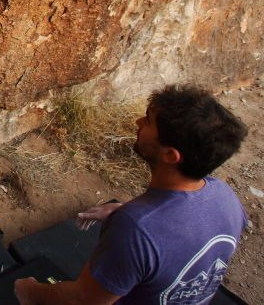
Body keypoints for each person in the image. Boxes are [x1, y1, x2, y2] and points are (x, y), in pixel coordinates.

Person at [15, 85, 248, 305]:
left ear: (170, 155)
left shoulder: (133, 230)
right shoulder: (226, 197)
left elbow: (81, 301)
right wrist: (128, 213)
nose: (138, 122)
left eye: (148, 121)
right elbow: (186, 232)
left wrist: (30, 292)